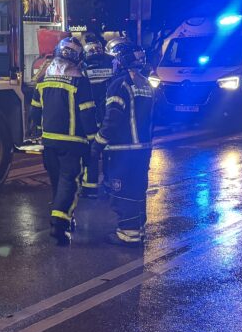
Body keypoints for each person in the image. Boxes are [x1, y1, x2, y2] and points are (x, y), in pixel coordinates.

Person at [30, 37, 98, 245]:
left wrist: (41, 131)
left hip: (49, 142)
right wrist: (93, 139)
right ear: (78, 56)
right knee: (69, 182)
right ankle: (59, 224)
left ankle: (65, 217)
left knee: (57, 182)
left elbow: (35, 110)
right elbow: (87, 113)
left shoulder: (44, 76)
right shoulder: (79, 78)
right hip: (73, 142)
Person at [92, 38, 155, 246]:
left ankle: (127, 235)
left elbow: (113, 118)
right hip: (143, 149)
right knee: (137, 190)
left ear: (119, 60)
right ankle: (137, 230)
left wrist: (97, 144)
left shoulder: (119, 84)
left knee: (122, 191)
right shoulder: (145, 82)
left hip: (122, 150)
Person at [81, 38, 114, 198]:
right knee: (108, 151)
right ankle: (109, 183)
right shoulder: (110, 63)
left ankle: (90, 188)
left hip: (91, 115)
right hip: (107, 114)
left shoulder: (84, 67)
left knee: (92, 151)